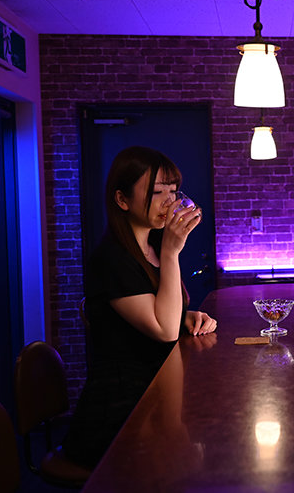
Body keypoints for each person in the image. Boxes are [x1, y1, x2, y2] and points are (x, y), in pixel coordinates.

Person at [62, 146, 217, 469]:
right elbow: (163, 331)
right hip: (120, 408)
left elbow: (160, 314)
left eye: (173, 191)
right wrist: (173, 253)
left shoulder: (152, 246)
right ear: (122, 200)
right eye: (157, 192)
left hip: (155, 388)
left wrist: (184, 316)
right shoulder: (111, 259)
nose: (169, 202)